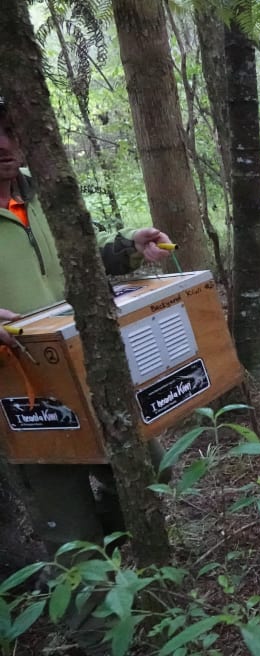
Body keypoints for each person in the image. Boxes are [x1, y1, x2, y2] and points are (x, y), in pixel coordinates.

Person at [0, 96, 172, 560]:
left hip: (86, 367)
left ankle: (119, 559)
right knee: (68, 525)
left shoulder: (45, 195)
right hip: (22, 391)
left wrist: (127, 246)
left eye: (9, 131)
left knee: (151, 470)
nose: (3, 145)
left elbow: (76, 259)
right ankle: (95, 627)